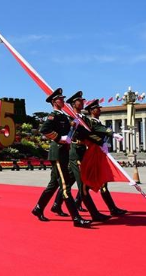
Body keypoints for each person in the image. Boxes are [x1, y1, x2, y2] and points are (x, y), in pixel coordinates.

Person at [31, 88, 91, 228]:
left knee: (53, 185)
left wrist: (73, 127)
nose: (63, 101)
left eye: (63, 99)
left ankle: (38, 208)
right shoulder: (53, 115)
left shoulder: (63, 116)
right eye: (60, 99)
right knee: (65, 187)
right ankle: (76, 218)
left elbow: (67, 130)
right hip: (57, 153)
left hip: (63, 152)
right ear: (54, 101)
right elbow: (44, 130)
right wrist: (59, 138)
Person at [50, 91, 110, 222]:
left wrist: (101, 142)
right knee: (83, 184)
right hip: (74, 152)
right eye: (80, 101)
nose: (83, 102)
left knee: (68, 181)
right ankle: (94, 214)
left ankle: (56, 205)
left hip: (83, 152)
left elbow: (89, 133)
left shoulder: (84, 118)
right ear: (74, 103)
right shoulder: (69, 117)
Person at [84, 99, 127, 216]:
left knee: (89, 183)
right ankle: (112, 209)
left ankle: (76, 202)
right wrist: (113, 134)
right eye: (97, 108)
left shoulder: (97, 122)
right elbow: (102, 130)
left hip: (100, 154)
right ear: (92, 111)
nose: (100, 109)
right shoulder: (93, 123)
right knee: (99, 182)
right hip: (94, 155)